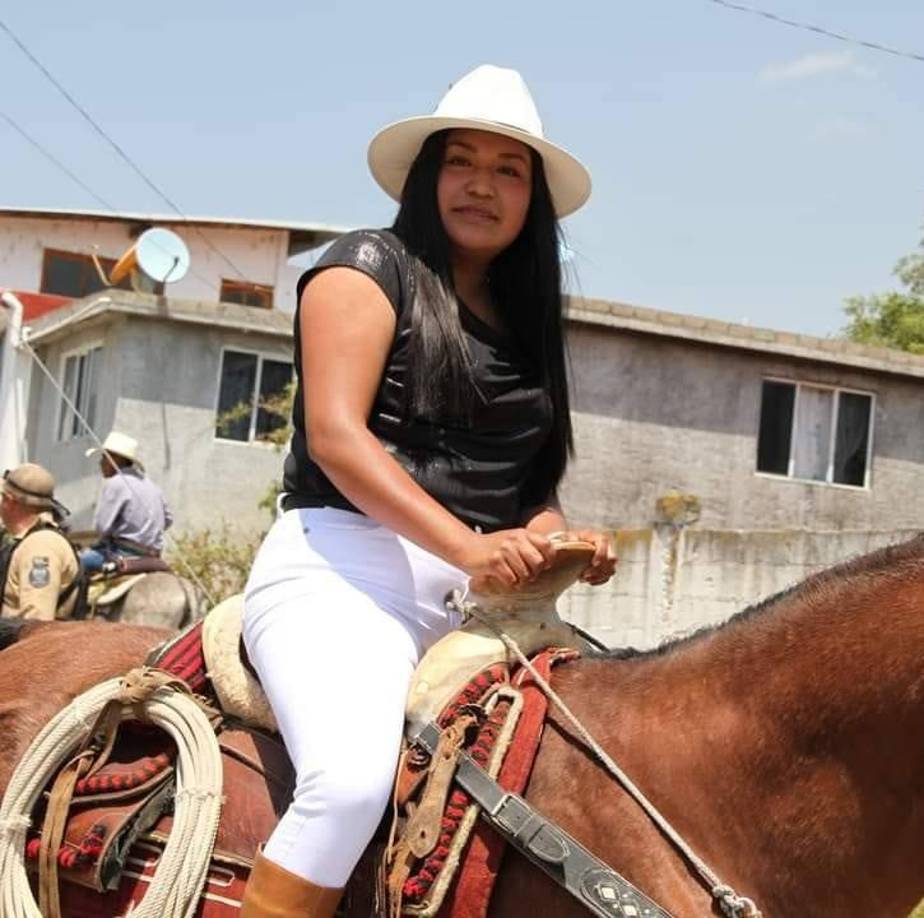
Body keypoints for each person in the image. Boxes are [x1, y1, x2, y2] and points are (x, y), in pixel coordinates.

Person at [240, 64, 617, 916]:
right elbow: (337, 438)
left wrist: (559, 542)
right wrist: (470, 547)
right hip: (340, 573)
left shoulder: (529, 321)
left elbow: (532, 486)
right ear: (427, 176)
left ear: (533, 199)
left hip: (481, 604)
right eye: (462, 161)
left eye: (508, 169)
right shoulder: (365, 267)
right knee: (346, 785)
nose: (482, 184)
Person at [80, 431, 173, 572]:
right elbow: (168, 520)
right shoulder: (152, 485)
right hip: (153, 556)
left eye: (104, 457)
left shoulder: (116, 483)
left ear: (115, 459)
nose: (100, 462)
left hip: (122, 554)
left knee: (72, 562)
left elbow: (102, 528)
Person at [0, 462, 81, 620]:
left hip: (29, 643)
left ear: (9, 502)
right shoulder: (28, 540)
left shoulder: (40, 546)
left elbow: (36, 621)